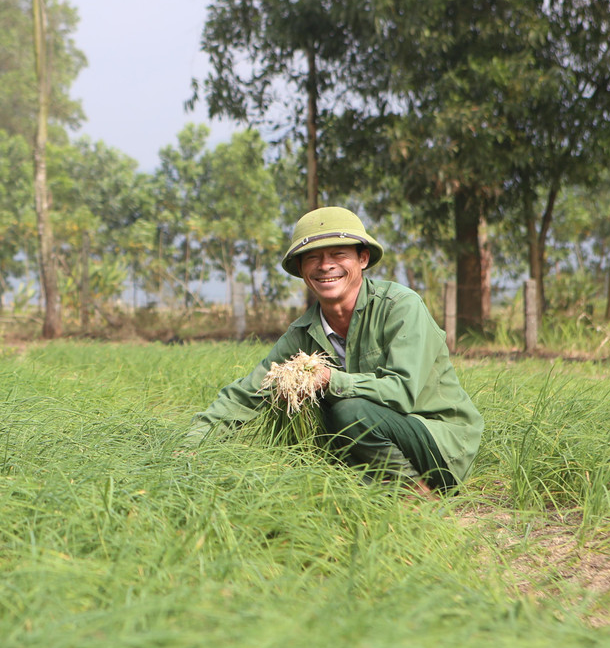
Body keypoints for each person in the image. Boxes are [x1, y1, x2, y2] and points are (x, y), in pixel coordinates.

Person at [186, 207, 482, 494]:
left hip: (437, 443)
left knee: (349, 409)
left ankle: (413, 496)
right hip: (372, 446)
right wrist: (187, 449)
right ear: (302, 270)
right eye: (312, 258)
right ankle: (356, 490)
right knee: (292, 400)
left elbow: (402, 392)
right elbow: (246, 394)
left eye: (338, 254)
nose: (325, 265)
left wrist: (330, 379)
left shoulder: (400, 306)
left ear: (362, 258)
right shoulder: (302, 333)